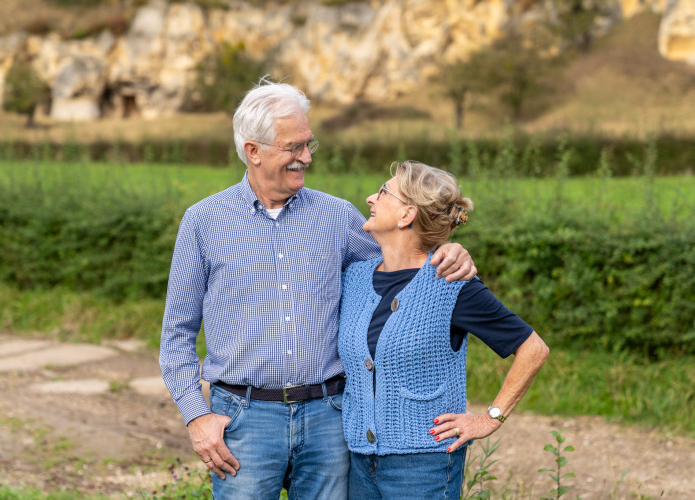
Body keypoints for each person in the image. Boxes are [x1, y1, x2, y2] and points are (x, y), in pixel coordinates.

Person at [158, 79, 476, 500]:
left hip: (330, 416)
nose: (305, 157)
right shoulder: (203, 222)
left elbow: (406, 260)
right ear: (253, 151)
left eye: (309, 144)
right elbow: (176, 334)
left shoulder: (337, 216)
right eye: (293, 147)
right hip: (242, 420)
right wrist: (197, 416)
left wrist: (449, 249)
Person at [338, 160, 550, 500]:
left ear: (407, 214)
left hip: (423, 467)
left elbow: (533, 348)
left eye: (382, 192)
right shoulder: (355, 278)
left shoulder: (451, 284)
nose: (369, 198)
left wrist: (490, 419)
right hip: (357, 462)